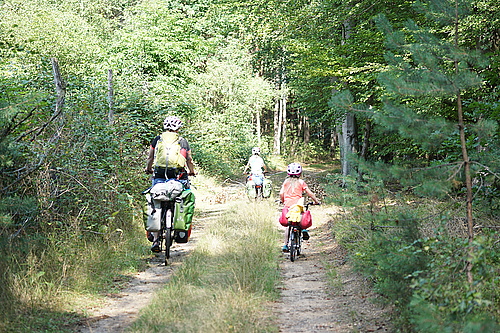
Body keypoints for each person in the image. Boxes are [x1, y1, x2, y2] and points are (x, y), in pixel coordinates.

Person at [145, 115, 195, 252]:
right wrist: (192, 171)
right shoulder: (182, 141)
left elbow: (150, 157)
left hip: (159, 174)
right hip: (178, 176)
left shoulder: (157, 139)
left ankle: (155, 240)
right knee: (182, 198)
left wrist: (148, 169)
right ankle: (180, 230)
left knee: (156, 201)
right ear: (178, 128)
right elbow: (188, 159)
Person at [279, 162, 320, 252]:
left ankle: (285, 245)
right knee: (303, 215)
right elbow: (310, 193)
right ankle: (304, 230)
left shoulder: (286, 182)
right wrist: (316, 201)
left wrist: (283, 201)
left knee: (288, 226)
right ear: (300, 173)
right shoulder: (301, 182)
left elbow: (281, 193)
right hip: (298, 205)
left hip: (288, 205)